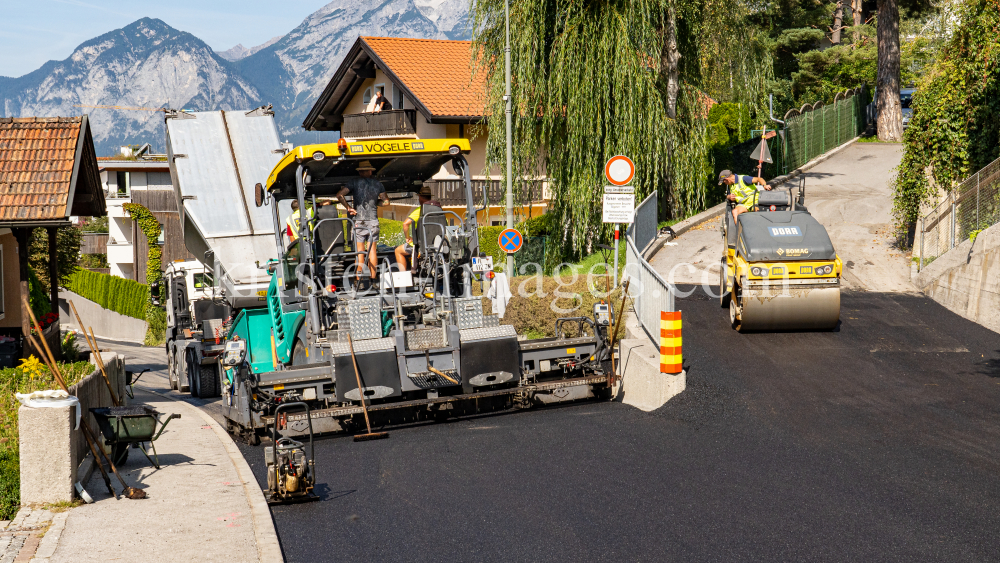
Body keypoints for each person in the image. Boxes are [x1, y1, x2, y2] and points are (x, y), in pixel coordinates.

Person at [337, 160, 389, 285]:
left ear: (360, 172)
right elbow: (386, 202)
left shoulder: (354, 182)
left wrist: (348, 207)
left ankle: (358, 279)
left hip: (359, 221)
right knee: (372, 251)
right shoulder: (378, 184)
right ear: (370, 171)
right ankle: (373, 279)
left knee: (360, 252)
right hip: (373, 221)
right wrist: (376, 203)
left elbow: (339, 195)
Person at [394, 186, 439, 271]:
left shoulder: (420, 210)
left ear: (420, 197)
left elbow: (405, 224)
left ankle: (404, 278)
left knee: (398, 251)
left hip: (422, 245)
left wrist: (407, 237)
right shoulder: (439, 209)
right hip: (437, 244)